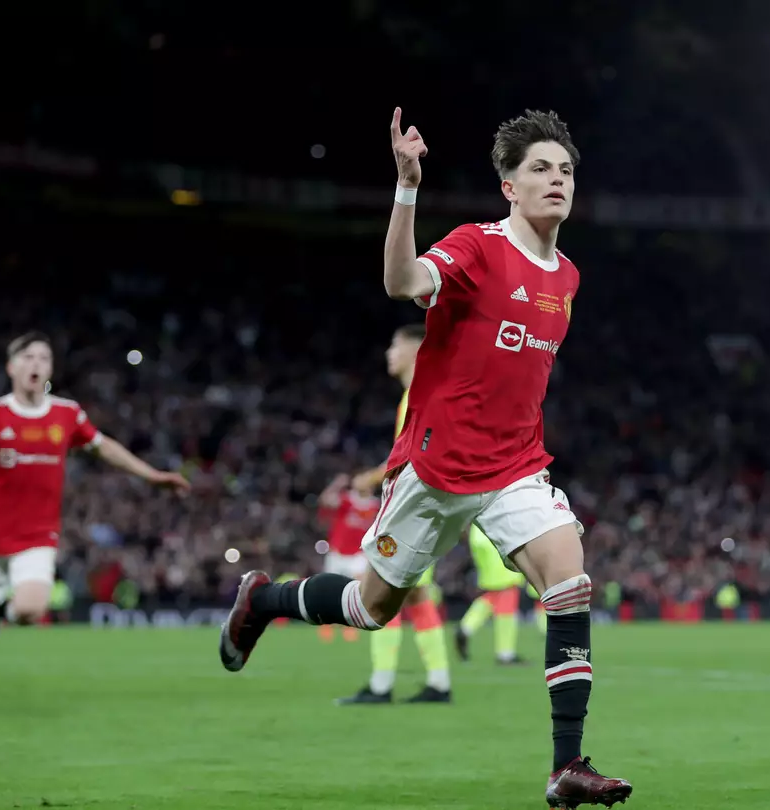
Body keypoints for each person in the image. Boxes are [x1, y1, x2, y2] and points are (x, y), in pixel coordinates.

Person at [217, 108, 631, 808]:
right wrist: (407, 188)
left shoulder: (567, 277)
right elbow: (401, 281)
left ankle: (568, 766)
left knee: (570, 583)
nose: (555, 180)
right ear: (508, 186)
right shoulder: (478, 245)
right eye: (539, 169)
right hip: (435, 470)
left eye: (564, 170)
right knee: (370, 607)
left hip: (517, 468)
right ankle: (263, 598)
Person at [0, 332, 190, 719]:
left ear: (50, 370)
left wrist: (152, 475)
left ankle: (0, 614)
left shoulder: (67, 413)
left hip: (37, 536)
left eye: (43, 358)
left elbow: (105, 447)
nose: (36, 364)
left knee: (30, 610)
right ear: (11, 367)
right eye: (27, 357)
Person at [334, 324, 453, 705]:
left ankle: (382, 685)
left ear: (416, 349)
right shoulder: (421, 393)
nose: (389, 353)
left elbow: (412, 458)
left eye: (395, 344)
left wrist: (368, 478)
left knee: (379, 591)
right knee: (416, 597)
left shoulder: (422, 393)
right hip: (425, 512)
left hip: (416, 513)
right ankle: (438, 681)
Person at [455, 524, 530, 665]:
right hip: (496, 533)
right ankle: (505, 653)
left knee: (493, 596)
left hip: (480, 533)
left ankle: (465, 627)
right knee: (507, 598)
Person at [314, 472, 371, 644]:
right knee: (330, 591)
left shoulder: (375, 505)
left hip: (359, 553)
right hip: (337, 552)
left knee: (357, 591)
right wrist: (337, 483)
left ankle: (350, 625)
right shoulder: (346, 500)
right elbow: (324, 500)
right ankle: (327, 624)